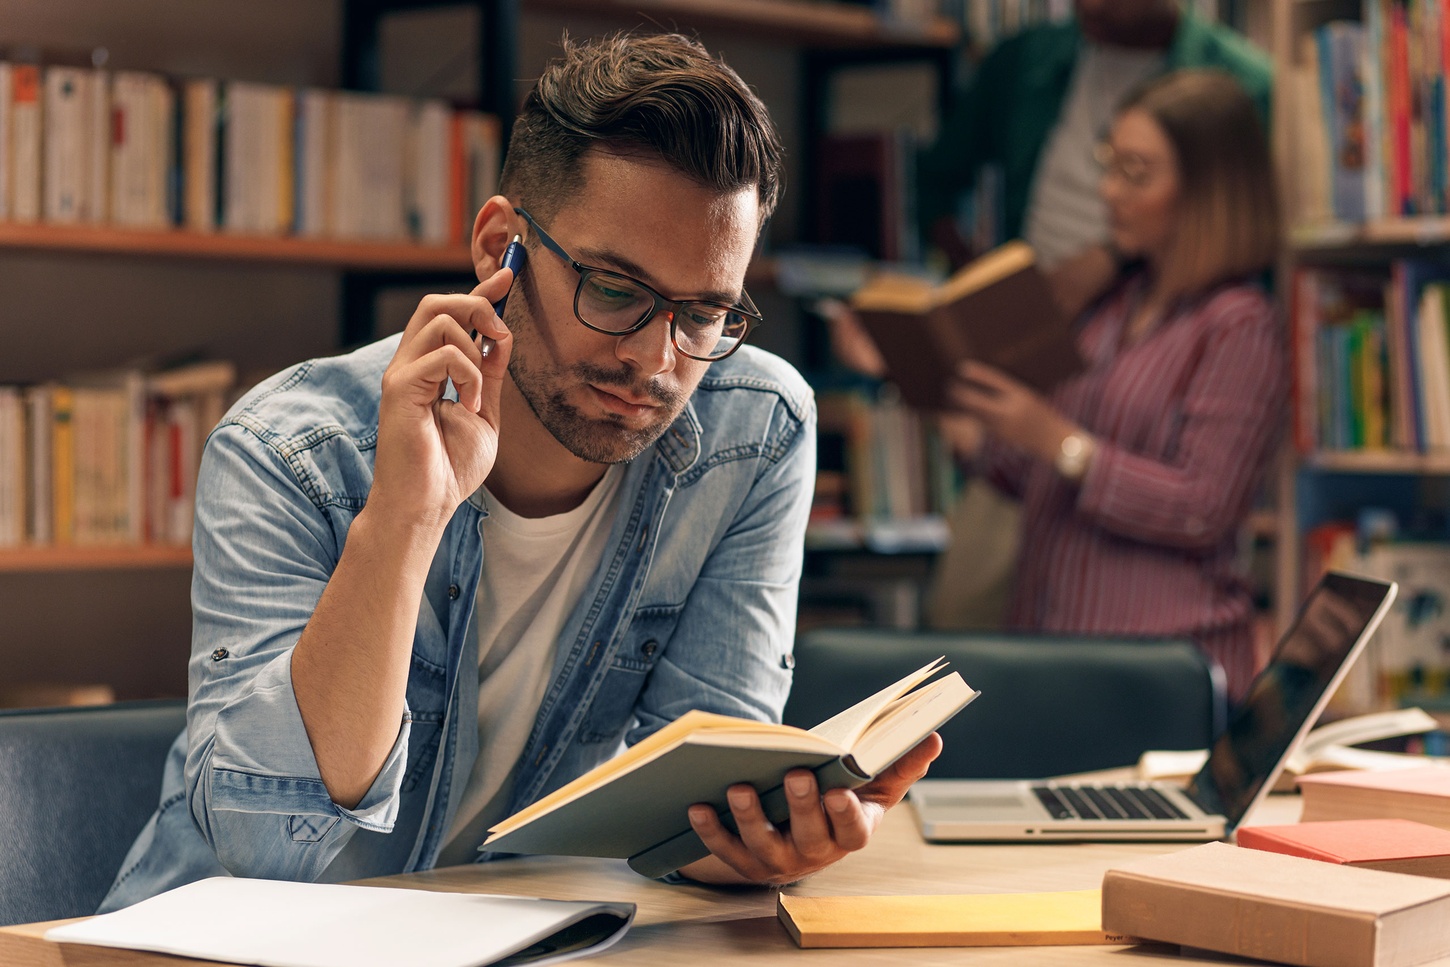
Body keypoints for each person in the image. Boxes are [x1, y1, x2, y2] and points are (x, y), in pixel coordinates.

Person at [100, 31, 939, 912]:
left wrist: (756, 843)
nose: (657, 361)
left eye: (703, 313)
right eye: (614, 291)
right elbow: (263, 850)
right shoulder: (284, 451)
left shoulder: (755, 431)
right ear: (501, 243)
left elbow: (689, 806)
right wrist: (405, 519)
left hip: (514, 934)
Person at [946, 68, 1285, 703]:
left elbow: (1204, 509)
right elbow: (1042, 480)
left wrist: (1058, 442)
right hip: (1057, 657)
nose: (1107, 192)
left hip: (1160, 675)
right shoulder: (1111, 307)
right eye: (1110, 166)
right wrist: (975, 428)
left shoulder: (1239, 325)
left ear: (1207, 191)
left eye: (1136, 173)